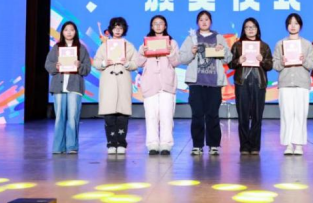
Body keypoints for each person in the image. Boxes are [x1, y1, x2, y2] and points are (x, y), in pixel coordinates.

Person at [179, 10, 232, 156]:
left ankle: (213, 145)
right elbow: (182, 58)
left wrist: (222, 51)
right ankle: (197, 145)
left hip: (214, 82)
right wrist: (192, 52)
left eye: (206, 19)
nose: (204, 22)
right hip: (196, 83)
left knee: (212, 114)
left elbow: (228, 58)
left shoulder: (218, 37)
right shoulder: (192, 38)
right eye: (201, 20)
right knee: (197, 114)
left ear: (211, 22)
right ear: (197, 22)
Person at [273, 13, 313, 156]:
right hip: (285, 83)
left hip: (301, 83)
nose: (293, 26)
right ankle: (288, 144)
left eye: (296, 23)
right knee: (286, 114)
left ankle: (298, 145)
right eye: (290, 23)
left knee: (300, 114)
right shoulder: (280, 44)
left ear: (300, 26)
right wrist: (282, 62)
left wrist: (304, 60)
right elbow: (275, 65)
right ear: (287, 26)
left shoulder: (307, 44)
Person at [45, 21, 91, 155]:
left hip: (75, 86)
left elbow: (87, 69)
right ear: (62, 32)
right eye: (66, 30)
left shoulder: (81, 49)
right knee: (59, 117)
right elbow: (48, 64)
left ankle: (72, 146)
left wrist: (79, 65)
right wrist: (56, 66)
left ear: (75, 32)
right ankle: (58, 147)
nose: (69, 32)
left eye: (72, 30)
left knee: (72, 117)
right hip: (59, 86)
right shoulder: (57, 47)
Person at [228, 18, 274, 155]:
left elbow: (270, 65)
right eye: (247, 27)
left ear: (257, 29)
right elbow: (230, 64)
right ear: (244, 30)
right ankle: (244, 146)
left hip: (259, 83)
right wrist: (238, 61)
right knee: (243, 116)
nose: (250, 29)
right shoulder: (237, 45)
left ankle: (254, 146)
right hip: (242, 83)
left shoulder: (264, 46)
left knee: (257, 116)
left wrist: (262, 60)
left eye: (253, 27)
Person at [136, 15, 180, 156]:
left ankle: (166, 144)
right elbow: (138, 63)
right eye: (155, 23)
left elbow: (176, 62)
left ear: (165, 26)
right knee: (151, 116)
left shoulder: (172, 43)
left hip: (167, 84)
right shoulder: (145, 43)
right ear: (152, 26)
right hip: (150, 84)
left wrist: (170, 52)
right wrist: (143, 52)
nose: (158, 26)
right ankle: (152, 144)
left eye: (161, 23)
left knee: (167, 115)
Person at [95, 17, 138, 155]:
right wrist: (104, 63)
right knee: (109, 115)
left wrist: (127, 63)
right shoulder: (104, 45)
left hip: (123, 81)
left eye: (120, 28)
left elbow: (136, 63)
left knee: (122, 114)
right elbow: (96, 62)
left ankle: (121, 142)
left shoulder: (129, 45)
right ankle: (111, 143)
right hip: (108, 81)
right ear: (111, 29)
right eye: (115, 28)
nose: (118, 30)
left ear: (124, 30)